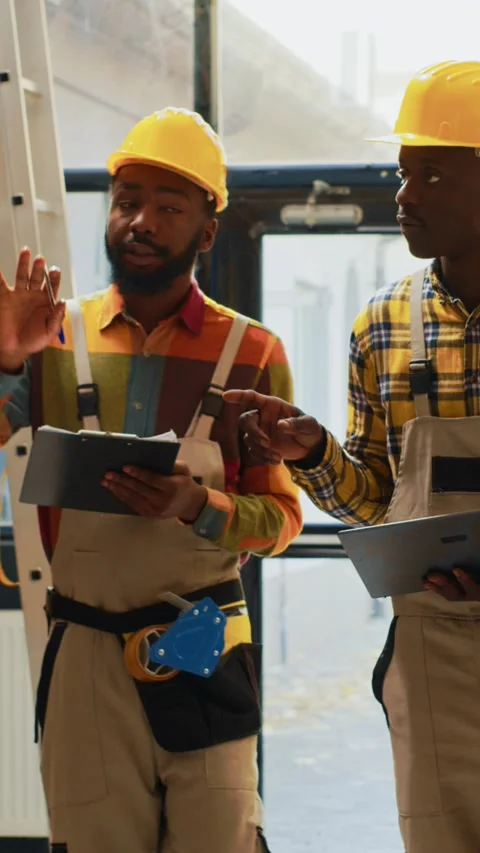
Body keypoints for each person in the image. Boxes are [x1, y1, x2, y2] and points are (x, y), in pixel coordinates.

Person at [0, 107, 302, 853]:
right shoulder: (50, 335)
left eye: (168, 208)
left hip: (202, 641)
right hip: (85, 653)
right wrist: (7, 360)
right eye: (128, 200)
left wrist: (200, 505)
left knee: (218, 839)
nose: (141, 220)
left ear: (206, 231)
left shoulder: (252, 351)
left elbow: (283, 519)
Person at [225, 61, 480, 853]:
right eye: (403, 173)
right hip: (435, 651)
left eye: (431, 173)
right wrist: (313, 450)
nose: (404, 195)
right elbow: (377, 503)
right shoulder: (383, 325)